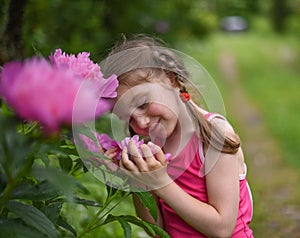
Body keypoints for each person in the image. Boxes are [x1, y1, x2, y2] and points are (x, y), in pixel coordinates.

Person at [101, 35, 253, 238]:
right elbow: (156, 231)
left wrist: (160, 183)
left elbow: (222, 229)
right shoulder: (152, 147)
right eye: (128, 119)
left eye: (143, 104)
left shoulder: (214, 135)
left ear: (171, 80)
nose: (141, 124)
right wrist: (137, 180)